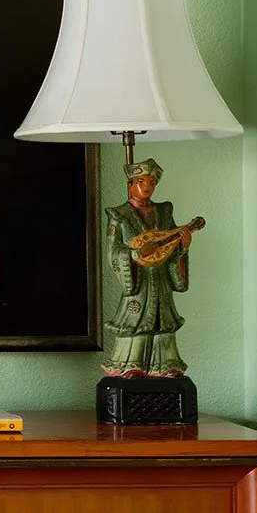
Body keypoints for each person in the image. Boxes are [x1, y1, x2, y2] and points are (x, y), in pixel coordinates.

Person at [104, 158, 199, 376]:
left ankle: (166, 365)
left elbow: (170, 243)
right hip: (139, 280)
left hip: (161, 278)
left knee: (163, 320)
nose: (147, 186)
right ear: (130, 184)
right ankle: (131, 365)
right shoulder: (118, 215)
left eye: (152, 182)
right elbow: (113, 251)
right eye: (141, 181)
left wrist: (183, 246)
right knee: (136, 320)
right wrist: (135, 254)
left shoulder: (164, 212)